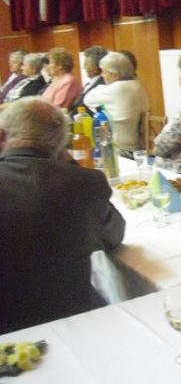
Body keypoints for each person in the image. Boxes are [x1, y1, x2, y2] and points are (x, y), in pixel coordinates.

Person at [0, 97, 125, 334]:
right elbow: (113, 236)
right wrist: (72, 165)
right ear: (61, 144)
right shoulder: (85, 183)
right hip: (72, 322)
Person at [83, 52, 150, 150]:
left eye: (104, 72)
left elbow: (87, 99)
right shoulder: (138, 85)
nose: (102, 75)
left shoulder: (116, 89)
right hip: (139, 147)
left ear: (115, 74)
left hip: (120, 150)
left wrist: (101, 86)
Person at [70, 45, 108, 116]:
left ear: (96, 68)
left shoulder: (102, 85)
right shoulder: (89, 83)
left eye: (87, 64)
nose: (84, 67)